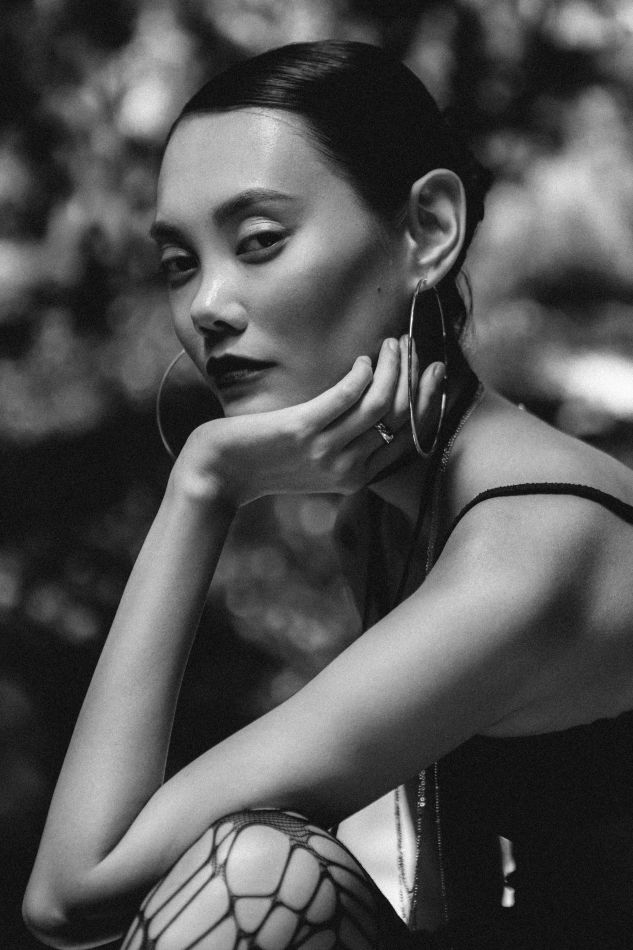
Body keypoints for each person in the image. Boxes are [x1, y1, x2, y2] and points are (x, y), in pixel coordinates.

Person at [23, 41, 633, 950]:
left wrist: (202, 485)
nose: (207, 305)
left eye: (258, 242)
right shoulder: (388, 515)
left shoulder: (527, 552)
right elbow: (453, 882)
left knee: (255, 870)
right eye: (180, 263)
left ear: (427, 230)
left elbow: (74, 890)